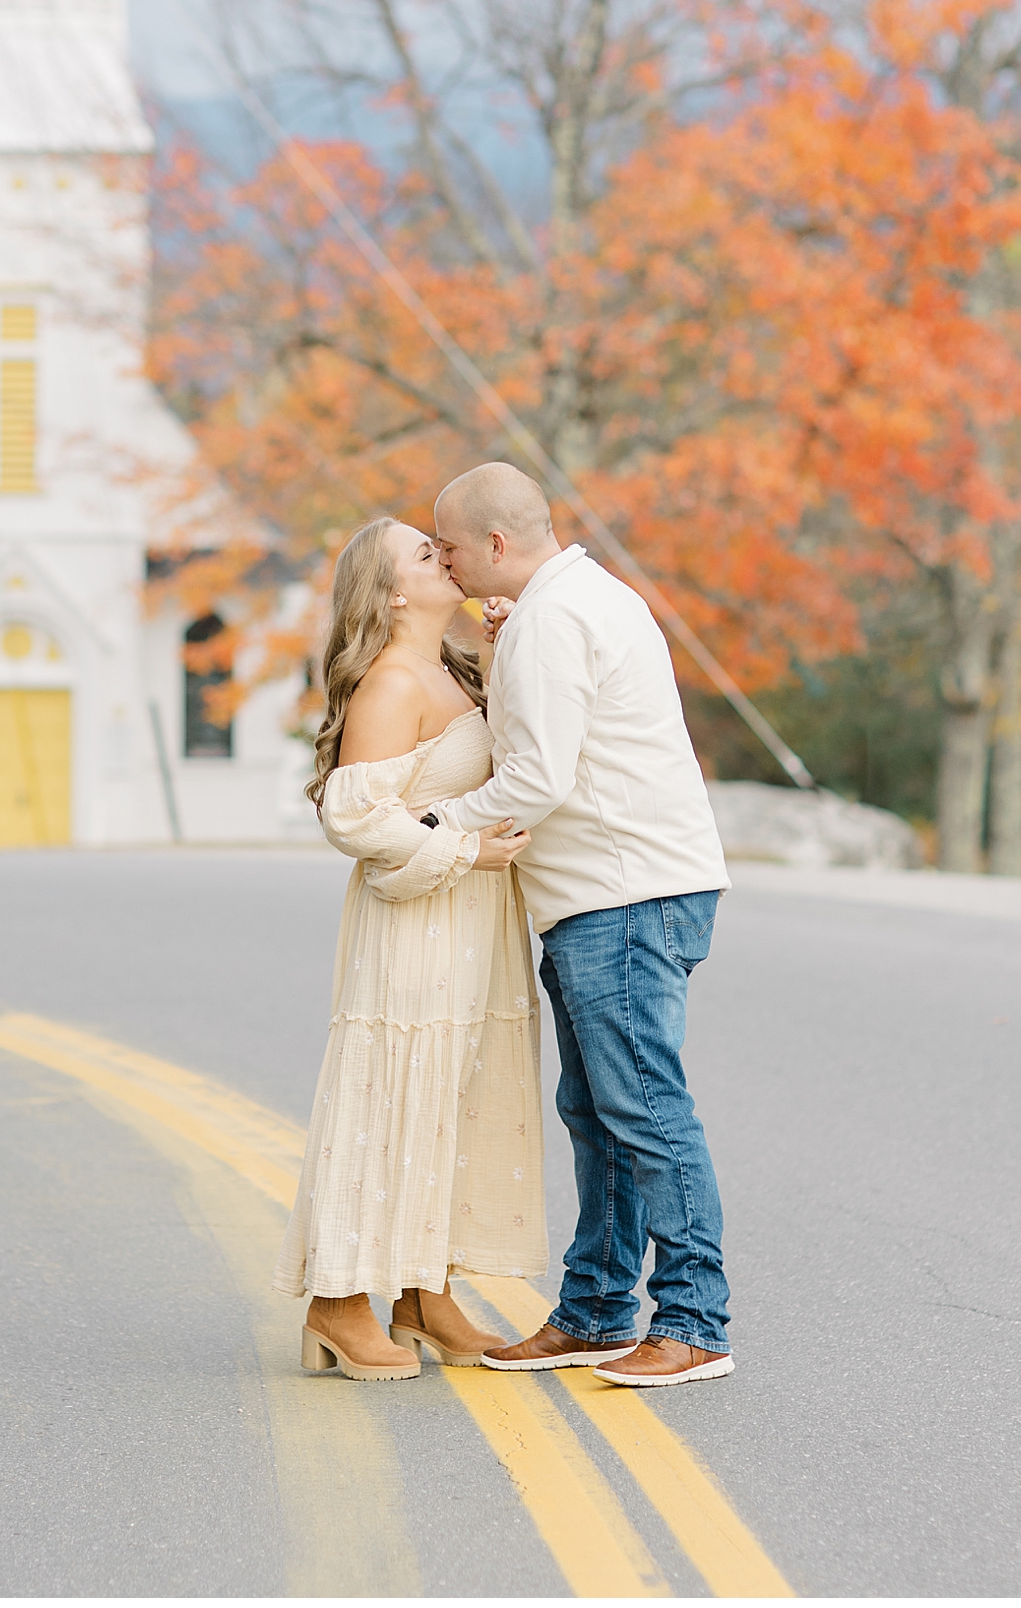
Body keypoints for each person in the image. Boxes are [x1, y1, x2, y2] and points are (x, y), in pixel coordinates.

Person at [432, 462, 734, 1390]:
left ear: (493, 542)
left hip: (623, 894)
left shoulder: (554, 620)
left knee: (641, 1106)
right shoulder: (581, 600)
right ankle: (597, 1309)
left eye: (446, 546)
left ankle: (694, 1320)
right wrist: (503, 642)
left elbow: (537, 777)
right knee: (598, 1111)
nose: (440, 563)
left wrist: (434, 825)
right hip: (615, 890)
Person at [273, 516, 547, 1380]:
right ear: (392, 592)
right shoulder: (392, 680)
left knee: (453, 1097)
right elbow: (353, 816)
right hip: (416, 928)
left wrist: (505, 652)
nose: (446, 556)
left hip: (472, 924)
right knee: (392, 1093)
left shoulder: (449, 668)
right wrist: (464, 849)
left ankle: (424, 1293)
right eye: (425, 554)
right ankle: (340, 1300)